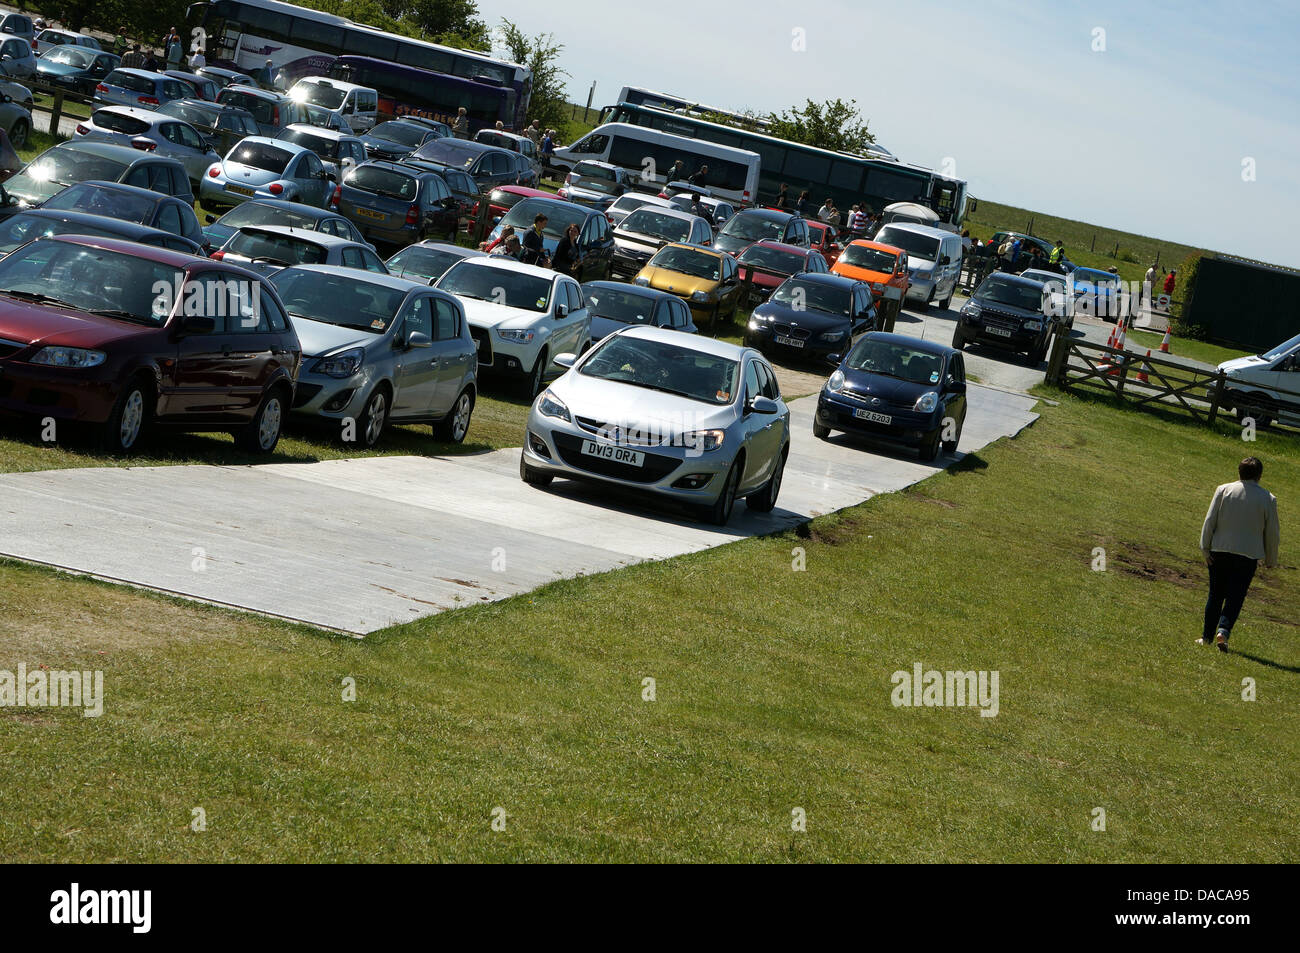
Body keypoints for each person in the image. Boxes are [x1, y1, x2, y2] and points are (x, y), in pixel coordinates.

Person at [1197, 457, 1280, 651]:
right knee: (1236, 596)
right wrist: (1271, 559)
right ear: (1259, 476)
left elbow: (1210, 520)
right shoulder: (1268, 498)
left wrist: (1205, 547)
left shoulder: (1224, 490)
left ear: (1239, 472)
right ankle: (1223, 630)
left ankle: (1207, 636)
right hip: (1248, 555)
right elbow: (1272, 532)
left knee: (1216, 594)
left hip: (1220, 550)